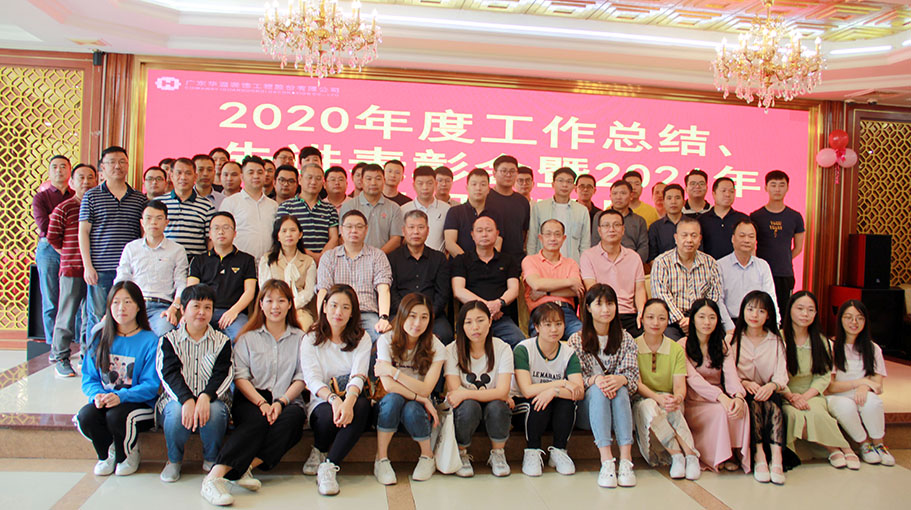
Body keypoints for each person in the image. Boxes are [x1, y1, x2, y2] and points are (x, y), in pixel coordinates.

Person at [200, 280, 307, 506]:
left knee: (294, 420)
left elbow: (301, 377)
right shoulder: (247, 337)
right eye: (269, 301)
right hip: (252, 398)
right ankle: (213, 478)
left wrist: (281, 402)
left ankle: (243, 468)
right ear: (261, 304)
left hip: (286, 398)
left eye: (281, 301)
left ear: (290, 304)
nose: (275, 306)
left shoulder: (301, 338)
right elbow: (240, 377)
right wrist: (262, 403)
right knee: (258, 420)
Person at [75, 281, 160, 477]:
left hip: (139, 403)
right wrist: (97, 395)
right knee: (86, 416)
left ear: (138, 306)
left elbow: (151, 385)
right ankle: (106, 454)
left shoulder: (150, 340)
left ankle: (127, 454)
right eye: (116, 302)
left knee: (117, 416)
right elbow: (89, 377)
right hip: (106, 399)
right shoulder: (99, 337)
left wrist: (121, 397)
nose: (121, 308)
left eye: (128, 302)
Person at [299, 284, 372, 496]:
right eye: (333, 305)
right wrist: (334, 399)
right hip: (322, 400)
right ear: (324, 307)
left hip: (352, 397)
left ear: (353, 312)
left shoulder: (362, 338)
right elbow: (311, 379)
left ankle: (329, 466)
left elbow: (359, 374)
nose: (338, 312)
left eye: (345, 307)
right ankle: (320, 449)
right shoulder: (310, 339)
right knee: (326, 416)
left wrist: (347, 402)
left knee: (361, 407)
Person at [156, 284, 233, 483]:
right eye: (196, 306)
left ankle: (211, 458)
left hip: (213, 399)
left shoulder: (222, 341)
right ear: (183, 309)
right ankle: (174, 460)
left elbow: (223, 374)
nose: (202, 312)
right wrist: (187, 399)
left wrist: (206, 397)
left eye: (207, 307)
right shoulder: (169, 340)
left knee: (214, 411)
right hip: (176, 399)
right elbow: (168, 374)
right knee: (175, 413)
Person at [568, 284, 639, 488]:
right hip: (588, 411)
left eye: (610, 303)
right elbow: (574, 382)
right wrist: (595, 380)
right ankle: (606, 460)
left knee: (621, 388)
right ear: (588, 308)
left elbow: (633, 378)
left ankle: (625, 460)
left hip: (618, 407)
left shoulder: (626, 339)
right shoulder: (576, 340)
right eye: (599, 304)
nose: (606, 309)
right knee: (600, 390)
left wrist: (620, 380)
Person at [373, 293, 445, 485]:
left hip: (417, 409)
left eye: (424, 317)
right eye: (412, 316)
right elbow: (388, 386)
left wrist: (393, 372)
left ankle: (427, 456)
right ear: (402, 315)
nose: (417, 323)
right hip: (389, 404)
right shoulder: (386, 340)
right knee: (394, 399)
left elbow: (426, 388)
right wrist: (420, 397)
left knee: (412, 408)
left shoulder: (436, 346)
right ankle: (381, 459)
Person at [80, 146, 148, 345]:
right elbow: (83, 232)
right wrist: (88, 266)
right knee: (97, 316)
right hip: (100, 268)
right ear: (102, 167)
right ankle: (92, 356)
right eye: (112, 162)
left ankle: (118, 355)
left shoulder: (139, 198)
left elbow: (143, 234)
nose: (117, 166)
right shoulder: (91, 196)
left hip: (130, 270)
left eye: (122, 162)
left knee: (127, 315)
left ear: (128, 165)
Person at [781, 291, 855, 469]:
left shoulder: (821, 341)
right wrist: (791, 397)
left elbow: (823, 376)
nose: (805, 314)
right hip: (785, 393)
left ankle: (845, 450)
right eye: (800, 308)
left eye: (810, 310)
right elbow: (774, 374)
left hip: (811, 393)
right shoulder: (779, 338)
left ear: (815, 313)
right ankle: (835, 449)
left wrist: (805, 396)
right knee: (793, 415)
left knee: (817, 412)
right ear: (790, 310)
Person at [444, 301, 514, 478]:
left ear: (490, 321)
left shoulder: (503, 348)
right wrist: (493, 394)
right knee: (469, 406)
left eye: (480, 320)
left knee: (498, 406)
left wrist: (466, 393)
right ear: (461, 326)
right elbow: (454, 391)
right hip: (466, 410)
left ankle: (498, 454)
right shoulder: (451, 350)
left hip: (491, 407)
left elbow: (503, 391)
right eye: (468, 322)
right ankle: (461, 453)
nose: (475, 327)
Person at [513, 302, 585, 477]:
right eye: (548, 324)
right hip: (523, 407)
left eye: (558, 324)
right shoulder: (523, 349)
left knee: (566, 402)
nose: (554, 329)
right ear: (537, 327)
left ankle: (559, 450)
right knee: (538, 401)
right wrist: (561, 383)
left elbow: (579, 391)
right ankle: (532, 451)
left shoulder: (568, 352)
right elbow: (527, 390)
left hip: (552, 405)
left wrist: (554, 391)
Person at [632, 299, 700, 480]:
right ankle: (677, 455)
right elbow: (637, 384)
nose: (656, 322)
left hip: (669, 400)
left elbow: (679, 386)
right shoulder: (633, 346)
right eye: (650, 317)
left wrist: (677, 398)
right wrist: (658, 398)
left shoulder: (676, 349)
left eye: (661, 318)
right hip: (643, 400)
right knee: (650, 407)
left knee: (671, 405)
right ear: (642, 319)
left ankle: (691, 456)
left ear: (668, 320)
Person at [680, 298, 750, 473]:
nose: (707, 322)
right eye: (701, 317)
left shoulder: (722, 345)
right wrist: (720, 397)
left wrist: (738, 396)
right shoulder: (682, 345)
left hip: (720, 397)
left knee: (740, 407)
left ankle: (734, 452)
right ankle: (720, 457)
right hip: (696, 401)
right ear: (693, 319)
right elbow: (693, 379)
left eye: (712, 317)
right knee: (720, 410)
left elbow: (731, 375)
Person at [730, 290, 788, 485]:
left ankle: (777, 459)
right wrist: (745, 383)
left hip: (770, 390)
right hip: (744, 391)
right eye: (750, 309)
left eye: (761, 311)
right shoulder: (734, 339)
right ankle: (759, 455)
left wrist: (771, 386)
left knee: (773, 402)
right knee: (754, 403)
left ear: (768, 315)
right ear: (743, 311)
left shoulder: (776, 341)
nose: (754, 315)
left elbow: (781, 374)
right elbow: (730, 373)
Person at [826, 300, 894, 466]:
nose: (854, 322)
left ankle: (879, 444)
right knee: (845, 406)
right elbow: (830, 387)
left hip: (862, 392)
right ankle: (864, 444)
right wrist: (862, 382)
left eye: (859, 318)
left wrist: (864, 386)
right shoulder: (831, 346)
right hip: (837, 395)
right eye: (848, 317)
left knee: (873, 402)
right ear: (840, 319)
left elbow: (877, 385)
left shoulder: (873, 348)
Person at [48, 163, 97, 376]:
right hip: (72, 269)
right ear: (72, 182)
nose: (86, 182)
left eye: (90, 177)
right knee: (66, 315)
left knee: (90, 316)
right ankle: (61, 356)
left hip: (96, 270)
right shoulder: (64, 208)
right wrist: (68, 254)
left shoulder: (98, 205)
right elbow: (52, 237)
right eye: (81, 178)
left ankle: (86, 355)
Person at [316, 210, 393, 342]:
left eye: (359, 227)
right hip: (337, 313)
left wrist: (383, 318)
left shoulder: (377, 255)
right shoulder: (329, 257)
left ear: (366, 229)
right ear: (341, 229)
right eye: (349, 227)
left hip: (366, 314)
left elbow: (383, 289)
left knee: (383, 338)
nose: (354, 231)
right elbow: (323, 290)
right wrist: (320, 319)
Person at [115, 200, 188, 337]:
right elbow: (122, 279)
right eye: (148, 218)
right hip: (132, 305)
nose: (153, 222)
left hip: (161, 308)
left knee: (165, 332)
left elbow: (181, 283)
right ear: (142, 222)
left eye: (159, 218)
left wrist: (174, 308)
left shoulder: (177, 250)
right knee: (100, 330)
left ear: (166, 222)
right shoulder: (131, 248)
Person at [452, 215, 524, 347]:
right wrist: (487, 307)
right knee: (462, 345)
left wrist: (499, 303)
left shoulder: (508, 260)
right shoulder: (461, 260)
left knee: (519, 341)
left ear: (497, 234)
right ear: (472, 235)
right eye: (479, 231)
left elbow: (514, 289)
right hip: (471, 318)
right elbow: (458, 290)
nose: (484, 234)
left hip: (500, 318)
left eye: (489, 230)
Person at [650, 216, 724, 340]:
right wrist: (681, 320)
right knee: (673, 343)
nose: (689, 240)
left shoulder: (710, 263)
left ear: (700, 239)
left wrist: (696, 319)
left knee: (718, 341)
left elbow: (714, 296)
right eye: (684, 235)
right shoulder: (662, 262)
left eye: (693, 236)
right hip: (672, 320)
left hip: (703, 319)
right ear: (676, 238)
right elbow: (661, 296)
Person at [188, 212, 257, 340]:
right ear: (210, 234)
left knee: (242, 337)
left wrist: (233, 311)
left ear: (235, 233)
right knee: (186, 332)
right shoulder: (198, 260)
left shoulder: (247, 260)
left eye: (226, 228)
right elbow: (191, 291)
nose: (221, 232)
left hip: (235, 313)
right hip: (204, 311)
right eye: (216, 228)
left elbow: (250, 291)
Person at [387, 210, 452, 344]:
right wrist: (406, 314)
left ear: (427, 231)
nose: (416, 232)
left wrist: (428, 314)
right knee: (389, 335)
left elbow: (443, 293)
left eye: (421, 227)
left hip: (432, 314)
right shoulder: (392, 258)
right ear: (404, 231)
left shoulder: (438, 258)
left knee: (445, 334)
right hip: (400, 313)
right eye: (411, 227)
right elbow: (391, 291)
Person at [581, 209, 646, 337]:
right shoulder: (588, 256)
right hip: (602, 313)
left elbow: (640, 289)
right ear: (599, 230)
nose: (611, 229)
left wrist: (641, 313)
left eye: (616, 225)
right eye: (606, 225)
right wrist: (607, 308)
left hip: (628, 314)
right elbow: (592, 289)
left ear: (623, 230)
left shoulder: (634, 257)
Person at [750, 170, 805, 318]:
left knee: (783, 311)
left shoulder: (795, 217)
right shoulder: (756, 216)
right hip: (761, 273)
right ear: (766, 187)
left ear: (787, 188)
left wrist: (784, 259)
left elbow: (798, 247)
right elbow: (751, 246)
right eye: (773, 185)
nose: (777, 189)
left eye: (781, 185)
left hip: (784, 273)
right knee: (760, 310)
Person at [34, 154, 73, 348]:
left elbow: (78, 225)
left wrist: (54, 217)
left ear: (69, 170)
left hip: (71, 248)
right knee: (50, 299)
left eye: (63, 166)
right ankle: (52, 345)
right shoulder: (41, 197)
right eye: (55, 167)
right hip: (48, 249)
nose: (59, 170)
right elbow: (44, 225)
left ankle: (72, 344)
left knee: (72, 296)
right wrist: (63, 222)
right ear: (49, 171)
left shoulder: (75, 195)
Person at [522, 219, 584, 339]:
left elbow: (576, 291)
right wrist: (569, 282)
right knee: (543, 342)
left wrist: (546, 292)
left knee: (583, 338)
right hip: (541, 311)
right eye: (548, 234)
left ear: (564, 238)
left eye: (557, 234)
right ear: (540, 238)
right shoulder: (530, 260)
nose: (553, 238)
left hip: (566, 312)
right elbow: (536, 284)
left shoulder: (571, 263)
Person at [718, 218, 778, 331]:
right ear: (733, 238)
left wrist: (775, 325)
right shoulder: (720, 266)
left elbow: (770, 297)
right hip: (729, 324)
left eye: (751, 236)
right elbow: (718, 300)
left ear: (755, 241)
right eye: (742, 236)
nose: (746, 240)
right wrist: (730, 328)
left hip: (757, 324)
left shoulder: (763, 266)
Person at [259, 215, 317, 330]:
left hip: (299, 309)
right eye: (284, 231)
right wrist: (280, 304)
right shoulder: (267, 260)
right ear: (277, 236)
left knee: (303, 325)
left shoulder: (309, 262)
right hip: (272, 308)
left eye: (293, 230)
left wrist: (291, 305)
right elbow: (265, 288)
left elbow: (308, 292)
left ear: (300, 234)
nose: (289, 234)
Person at [278, 162, 339, 264]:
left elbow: (334, 238)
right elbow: (283, 236)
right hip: (295, 262)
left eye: (318, 178)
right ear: (300, 180)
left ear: (323, 182)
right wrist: (310, 256)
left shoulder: (330, 208)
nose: (313, 182)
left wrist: (322, 257)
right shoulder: (286, 207)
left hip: (325, 264)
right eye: (309, 177)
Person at [219, 156, 278, 261]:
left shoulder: (273, 205)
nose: (256, 176)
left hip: (267, 263)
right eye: (251, 172)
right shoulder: (230, 202)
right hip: (237, 262)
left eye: (260, 172)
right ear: (242, 177)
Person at [527, 167, 590, 263]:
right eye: (560, 181)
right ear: (553, 184)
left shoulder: (582, 211)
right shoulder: (539, 207)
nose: (564, 185)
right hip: (543, 265)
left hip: (572, 265)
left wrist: (582, 267)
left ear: (574, 186)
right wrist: (531, 263)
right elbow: (532, 240)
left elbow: (585, 244)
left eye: (569, 182)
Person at [339, 163, 404, 254]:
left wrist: (376, 256)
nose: (373, 183)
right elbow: (342, 237)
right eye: (369, 179)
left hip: (385, 259)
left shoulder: (394, 208)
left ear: (384, 181)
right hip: (354, 259)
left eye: (378, 179)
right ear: (361, 181)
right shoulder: (348, 206)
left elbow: (396, 239)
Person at [161, 157, 216, 259]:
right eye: (179, 173)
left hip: (195, 262)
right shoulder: (159, 203)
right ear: (171, 176)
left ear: (195, 176)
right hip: (165, 260)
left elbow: (210, 240)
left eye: (188, 173)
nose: (183, 177)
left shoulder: (207, 206)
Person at [443, 168, 500, 257]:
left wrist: (486, 261)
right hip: (460, 264)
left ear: (489, 189)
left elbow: (498, 243)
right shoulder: (455, 212)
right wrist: (468, 262)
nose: (478, 188)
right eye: (474, 184)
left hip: (488, 264)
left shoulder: (496, 213)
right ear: (467, 187)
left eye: (483, 184)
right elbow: (450, 243)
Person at [485, 155, 530, 259]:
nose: (508, 175)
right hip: (490, 258)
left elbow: (524, 231)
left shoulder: (522, 201)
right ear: (494, 173)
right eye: (504, 171)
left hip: (516, 258)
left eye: (512, 171)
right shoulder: (485, 198)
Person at [592, 181, 648, 264]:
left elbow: (643, 247)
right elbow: (595, 243)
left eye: (623, 193)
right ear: (610, 196)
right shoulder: (600, 217)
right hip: (604, 263)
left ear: (631, 196)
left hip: (632, 263)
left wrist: (632, 262)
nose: (618, 197)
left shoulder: (639, 221)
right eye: (615, 193)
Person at [401, 165, 450, 252]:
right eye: (420, 183)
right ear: (414, 185)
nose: (425, 187)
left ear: (436, 184)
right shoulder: (404, 210)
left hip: (438, 259)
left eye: (429, 183)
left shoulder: (447, 209)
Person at [698, 177, 748, 260]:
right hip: (708, 266)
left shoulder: (743, 219)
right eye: (723, 191)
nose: (727, 194)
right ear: (714, 194)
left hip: (736, 266)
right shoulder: (702, 220)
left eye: (731, 191)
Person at [647, 184, 684, 262]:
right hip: (662, 268)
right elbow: (652, 257)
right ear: (664, 202)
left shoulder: (693, 224)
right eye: (669, 198)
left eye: (677, 198)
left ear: (684, 202)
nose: (673, 202)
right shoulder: (655, 227)